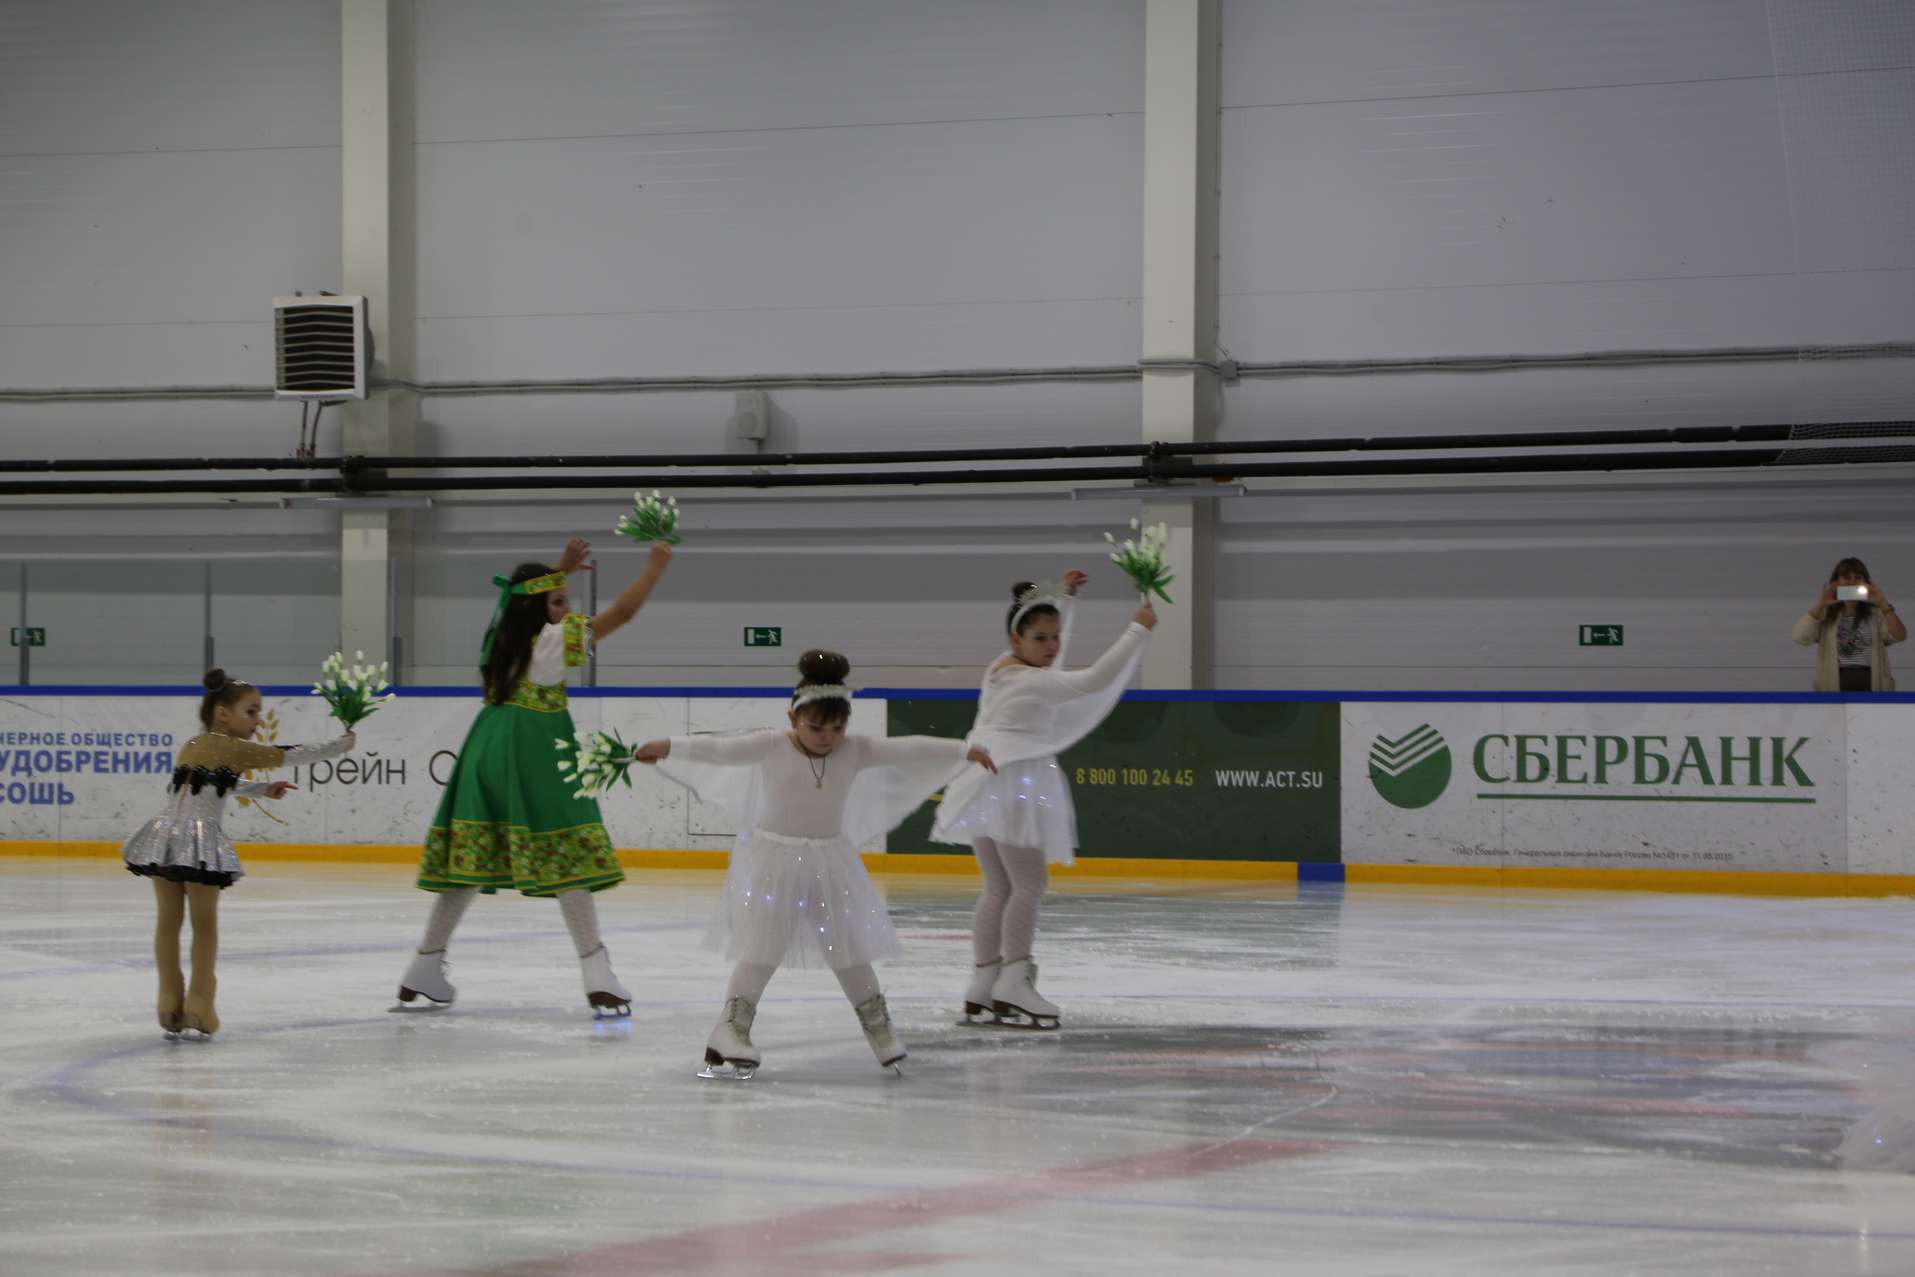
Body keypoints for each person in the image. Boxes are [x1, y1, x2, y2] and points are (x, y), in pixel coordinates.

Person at [633, 650, 994, 1078]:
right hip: (775, 861)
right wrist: (667, 747)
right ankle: (730, 1029)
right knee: (763, 949)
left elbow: (908, 749)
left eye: (837, 728)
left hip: (829, 861)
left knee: (847, 948)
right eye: (816, 727)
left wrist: (964, 750)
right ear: (794, 718)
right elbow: (719, 750)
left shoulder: (855, 749)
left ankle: (879, 1030)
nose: (827, 738)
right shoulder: (771, 744)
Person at [396, 537, 671, 1015]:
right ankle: (596, 971)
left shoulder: (498, 640)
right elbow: (623, 614)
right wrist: (654, 568)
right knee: (568, 851)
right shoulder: (551, 642)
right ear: (536, 607)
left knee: (470, 864)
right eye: (559, 601)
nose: (568, 610)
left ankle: (424, 964)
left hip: (486, 745)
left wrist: (557, 571)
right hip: (533, 747)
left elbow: (512, 599)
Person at [931, 573, 1154, 1029]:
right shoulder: (1032, 682)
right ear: (1017, 638)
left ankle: (983, 983)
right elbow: (1095, 679)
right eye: (1041, 638)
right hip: (1016, 781)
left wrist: (1064, 601)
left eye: (1055, 636)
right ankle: (1013, 981)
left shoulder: (1001, 667)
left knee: (999, 887)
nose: (1052, 646)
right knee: (1029, 885)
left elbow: (1047, 655)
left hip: (984, 780)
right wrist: (1137, 630)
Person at [121, 669, 355, 1039]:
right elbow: (289, 755)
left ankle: (168, 1001)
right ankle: (199, 1004)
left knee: (168, 922)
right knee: (204, 926)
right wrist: (340, 746)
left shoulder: (193, 744)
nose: (258, 720)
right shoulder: (233, 747)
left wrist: (262, 790)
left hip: (163, 837)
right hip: (197, 842)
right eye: (251, 712)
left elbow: (216, 783)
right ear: (222, 714)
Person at [1793, 557, 1903, 692]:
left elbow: (1899, 636)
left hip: (1871, 679)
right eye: (1846, 577)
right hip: (1834, 680)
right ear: (1836, 582)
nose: (1852, 581)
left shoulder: (1876, 613)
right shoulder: (1825, 614)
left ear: (1867, 583)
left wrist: (1883, 603)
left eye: (1858, 577)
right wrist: (1821, 604)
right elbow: (1800, 637)